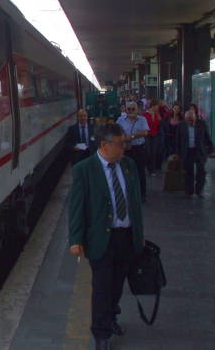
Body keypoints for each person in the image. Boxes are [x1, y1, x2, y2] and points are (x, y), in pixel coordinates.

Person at [68, 123, 145, 350]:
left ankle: (111, 316)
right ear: (104, 145)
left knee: (118, 283)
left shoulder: (129, 165)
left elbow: (136, 205)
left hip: (126, 235)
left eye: (125, 143)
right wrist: (75, 239)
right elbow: (77, 207)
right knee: (102, 285)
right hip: (101, 238)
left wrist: (139, 235)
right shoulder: (84, 169)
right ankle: (101, 332)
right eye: (120, 144)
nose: (124, 148)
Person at [116, 101, 149, 202]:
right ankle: (127, 193)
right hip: (125, 149)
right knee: (125, 171)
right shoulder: (120, 120)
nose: (130, 111)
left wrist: (132, 137)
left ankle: (142, 194)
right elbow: (116, 131)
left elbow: (145, 132)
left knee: (140, 171)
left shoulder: (142, 119)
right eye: (128, 109)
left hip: (138, 148)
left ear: (137, 109)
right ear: (125, 110)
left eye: (133, 109)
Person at [176, 109, 213, 197]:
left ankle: (199, 190)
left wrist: (210, 149)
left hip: (199, 151)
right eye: (188, 120)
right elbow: (178, 140)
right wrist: (178, 153)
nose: (190, 122)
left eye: (192, 120)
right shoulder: (181, 125)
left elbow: (207, 137)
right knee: (188, 171)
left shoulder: (202, 124)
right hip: (187, 151)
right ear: (185, 119)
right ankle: (189, 191)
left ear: (195, 117)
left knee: (201, 171)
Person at [143, 99, 162, 176]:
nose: (158, 108)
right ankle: (148, 167)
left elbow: (159, 124)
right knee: (148, 152)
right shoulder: (145, 115)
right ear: (152, 106)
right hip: (147, 135)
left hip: (155, 135)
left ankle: (152, 169)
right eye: (157, 106)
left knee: (154, 152)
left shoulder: (157, 114)